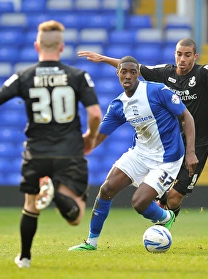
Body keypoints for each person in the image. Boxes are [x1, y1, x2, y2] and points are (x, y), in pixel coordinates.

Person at [0, 20, 102, 268]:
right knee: (75, 217)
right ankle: (54, 189)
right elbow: (95, 113)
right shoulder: (77, 76)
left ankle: (24, 258)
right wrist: (90, 136)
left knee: (30, 205)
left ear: (36, 46)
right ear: (62, 47)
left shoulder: (24, 76)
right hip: (69, 151)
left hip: (36, 152)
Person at [77, 38, 208, 218]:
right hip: (168, 143)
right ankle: (163, 225)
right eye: (179, 54)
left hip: (197, 144)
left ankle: (166, 218)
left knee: (174, 198)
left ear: (195, 57)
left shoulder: (203, 73)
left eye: (187, 55)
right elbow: (133, 68)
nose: (182, 59)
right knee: (156, 194)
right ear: (175, 54)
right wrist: (103, 58)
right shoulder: (165, 73)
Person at [68, 55, 198, 251]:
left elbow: (186, 116)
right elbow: (99, 136)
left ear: (138, 74)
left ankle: (165, 216)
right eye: (124, 71)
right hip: (140, 153)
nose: (128, 75)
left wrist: (190, 152)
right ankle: (91, 243)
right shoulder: (118, 105)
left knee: (138, 203)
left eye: (132, 71)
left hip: (167, 157)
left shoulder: (157, 91)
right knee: (106, 189)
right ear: (118, 73)